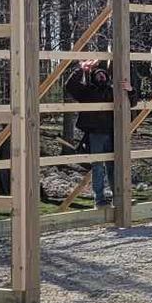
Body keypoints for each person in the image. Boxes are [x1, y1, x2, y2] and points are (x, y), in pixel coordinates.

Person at [63, 55, 129, 207]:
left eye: (103, 74)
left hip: (113, 133)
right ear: (93, 78)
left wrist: (130, 90)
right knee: (98, 167)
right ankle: (99, 200)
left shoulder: (113, 92)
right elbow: (70, 86)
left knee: (114, 167)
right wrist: (81, 70)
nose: (101, 76)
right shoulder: (86, 92)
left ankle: (118, 199)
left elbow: (131, 102)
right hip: (95, 134)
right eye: (98, 74)